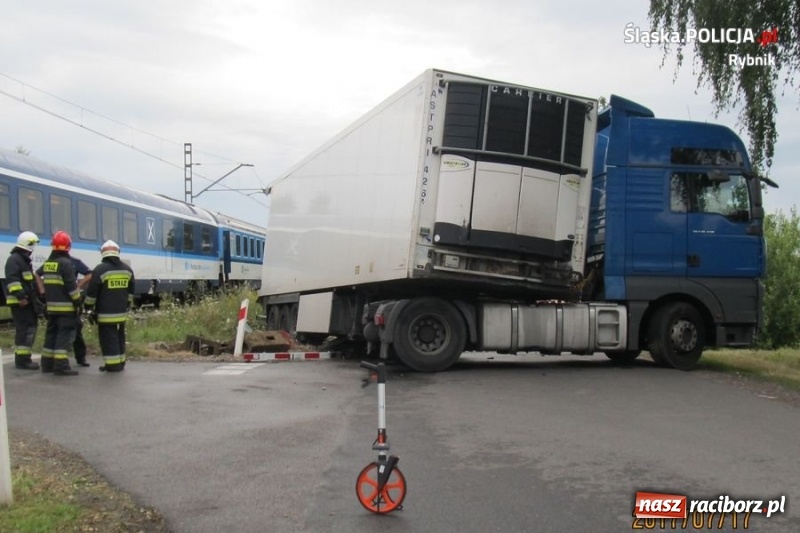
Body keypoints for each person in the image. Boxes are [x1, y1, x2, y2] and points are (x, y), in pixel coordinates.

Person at [84, 240, 135, 372]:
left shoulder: (100, 270)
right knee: (119, 337)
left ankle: (112, 365)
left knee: (108, 339)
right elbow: (131, 292)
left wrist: (89, 309)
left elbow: (92, 293)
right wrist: (127, 305)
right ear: (118, 252)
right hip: (121, 313)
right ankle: (121, 362)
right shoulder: (127, 269)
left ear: (103, 253)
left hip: (105, 314)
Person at [39, 230, 82, 376]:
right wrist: (78, 302)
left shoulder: (48, 263)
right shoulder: (66, 264)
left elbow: (38, 277)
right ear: (68, 246)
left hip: (51, 308)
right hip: (66, 309)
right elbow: (71, 287)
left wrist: (44, 295)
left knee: (50, 335)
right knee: (63, 337)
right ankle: (61, 365)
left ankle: (47, 364)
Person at [3, 231, 43, 370]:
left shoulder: (22, 260)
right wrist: (21, 297)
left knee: (29, 329)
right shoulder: (15, 260)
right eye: (33, 245)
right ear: (28, 245)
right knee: (24, 330)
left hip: (26, 301)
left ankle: (25, 358)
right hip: (21, 303)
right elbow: (13, 280)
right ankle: (22, 360)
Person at [71, 256, 93, 367]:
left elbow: (37, 274)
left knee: (54, 333)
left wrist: (42, 291)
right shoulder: (73, 262)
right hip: (69, 306)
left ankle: (49, 363)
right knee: (76, 332)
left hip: (53, 305)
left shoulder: (49, 263)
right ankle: (80, 358)